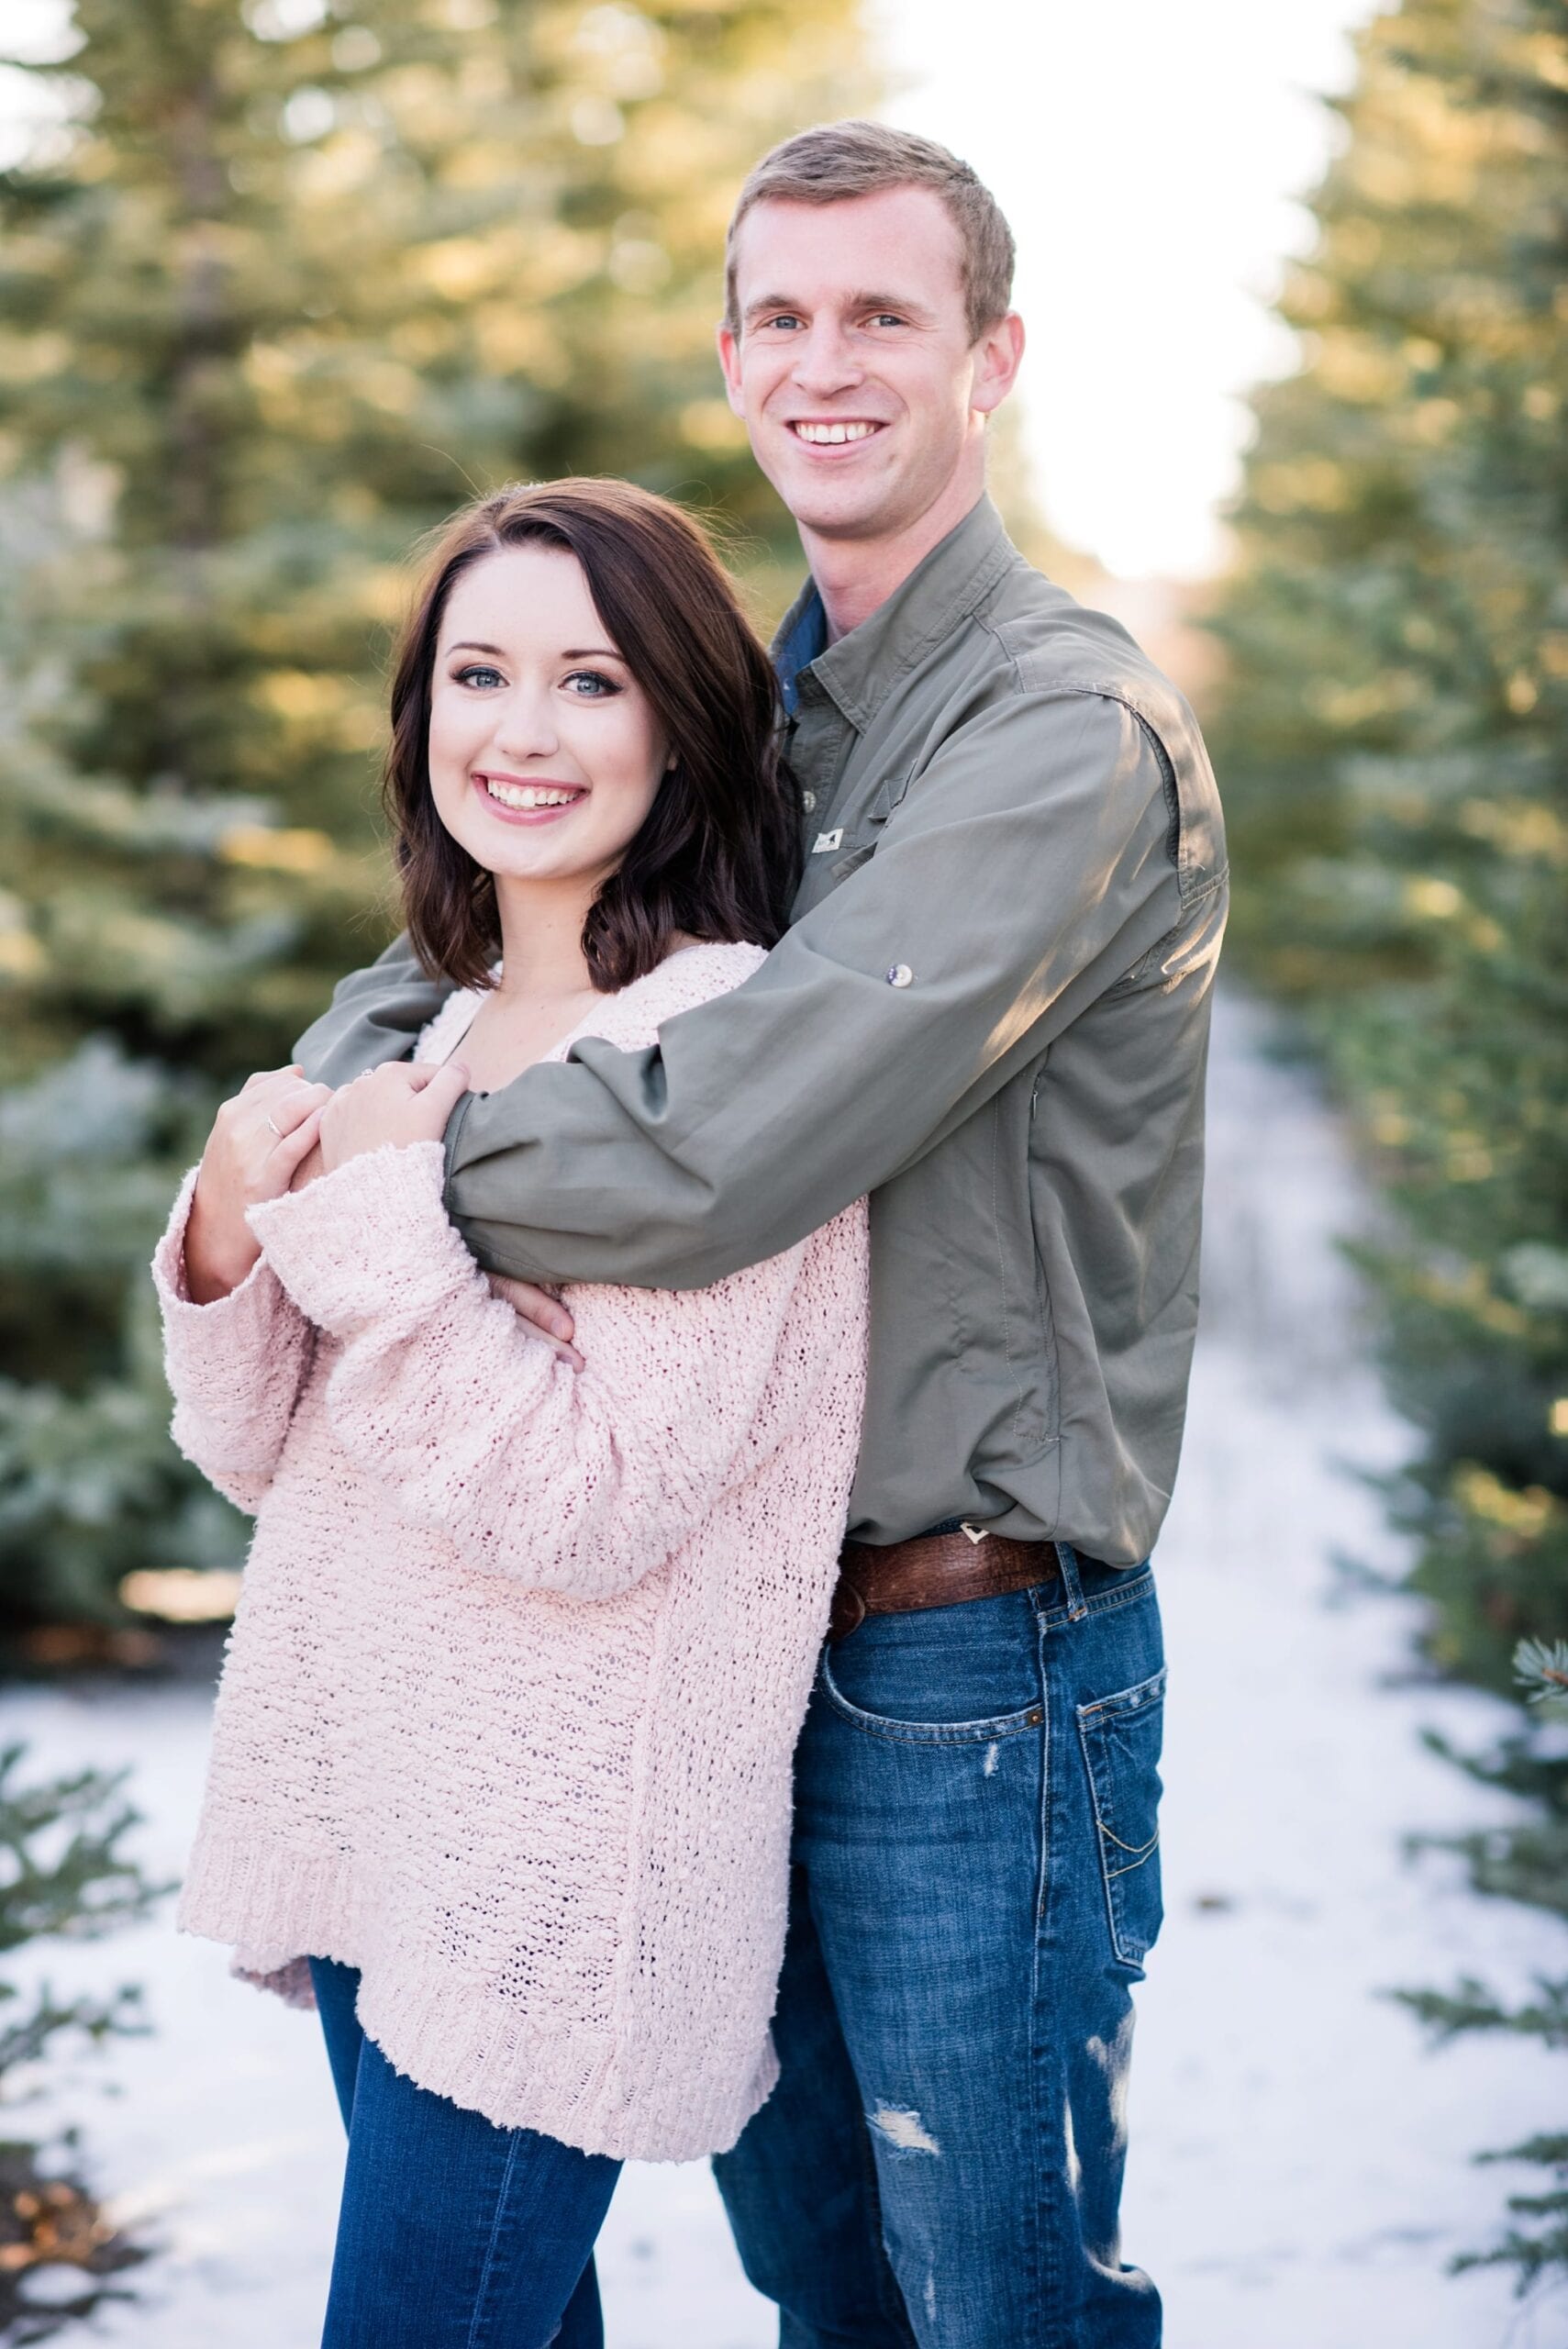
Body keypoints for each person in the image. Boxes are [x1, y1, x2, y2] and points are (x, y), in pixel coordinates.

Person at [298, 122, 1227, 2347]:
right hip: (708, 1637)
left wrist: (364, 1178)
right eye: (784, 318)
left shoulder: (1058, 734)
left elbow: (716, 1141)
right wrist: (352, 1090)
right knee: (823, 2281)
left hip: (958, 1662)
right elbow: (454, 958)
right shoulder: (748, 712)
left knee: (990, 2300)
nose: (829, 364)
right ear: (730, 357)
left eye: (886, 315)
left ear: (991, 358)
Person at [151, 478, 870, 2349]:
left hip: (553, 1864)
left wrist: (379, 1223)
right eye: (479, 672)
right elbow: (270, 1450)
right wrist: (235, 1227)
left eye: (589, 680)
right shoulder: (433, 1030)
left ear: (682, 722)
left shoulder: (723, 1048)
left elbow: (601, 1500)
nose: (521, 731)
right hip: (381, 1806)